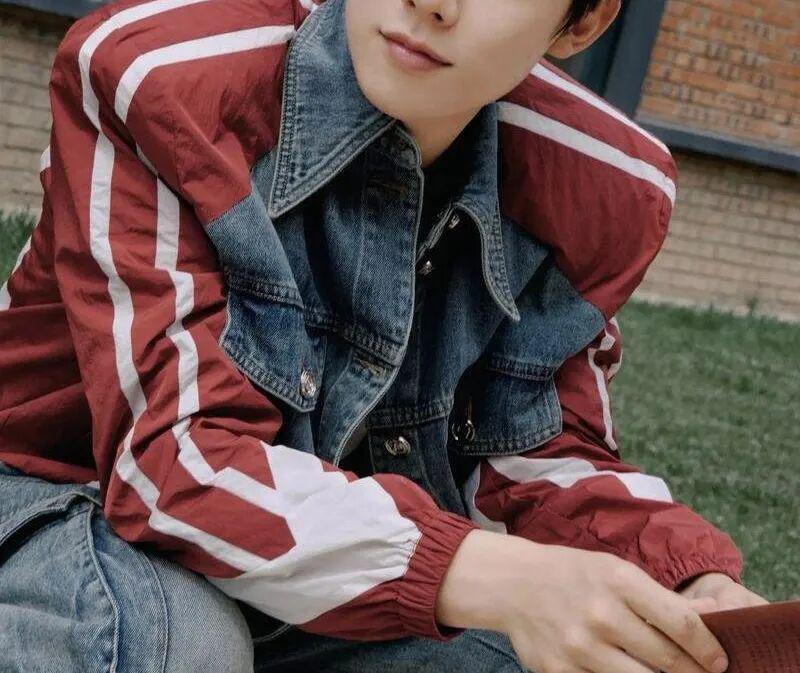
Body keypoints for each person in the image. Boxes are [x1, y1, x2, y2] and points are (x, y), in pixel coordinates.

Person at [0, 0, 768, 671]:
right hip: (69, 493)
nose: (432, 3)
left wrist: (683, 581)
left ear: (584, 22)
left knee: (578, 656)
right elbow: (169, 467)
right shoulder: (170, 77)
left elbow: (534, 448)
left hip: (330, 562)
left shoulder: (594, 186)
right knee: (183, 643)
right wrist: (499, 576)